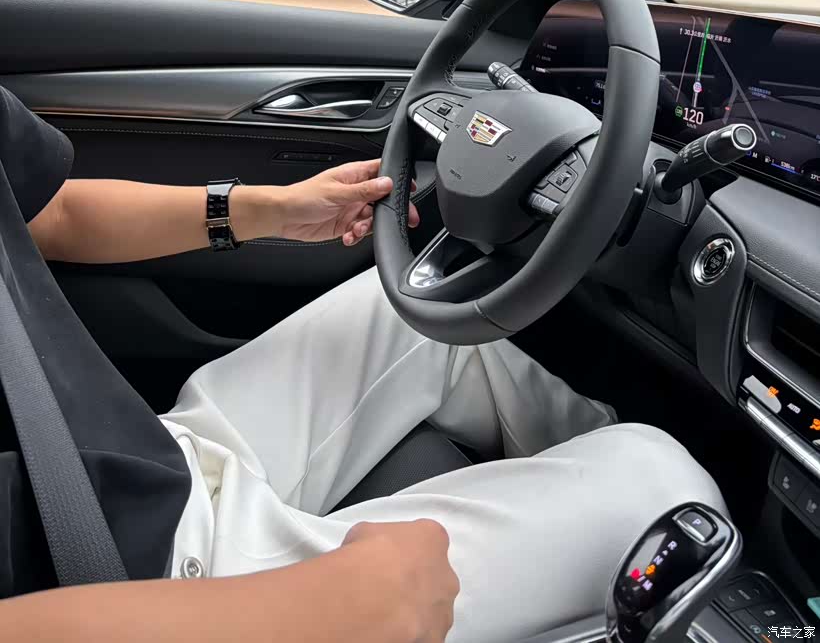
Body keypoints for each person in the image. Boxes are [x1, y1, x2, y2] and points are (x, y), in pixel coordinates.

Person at [0, 85, 724, 642]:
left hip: (128, 457)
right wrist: (316, 611)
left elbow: (49, 212)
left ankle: (579, 491)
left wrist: (270, 211)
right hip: (138, 577)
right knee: (668, 486)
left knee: (417, 312)